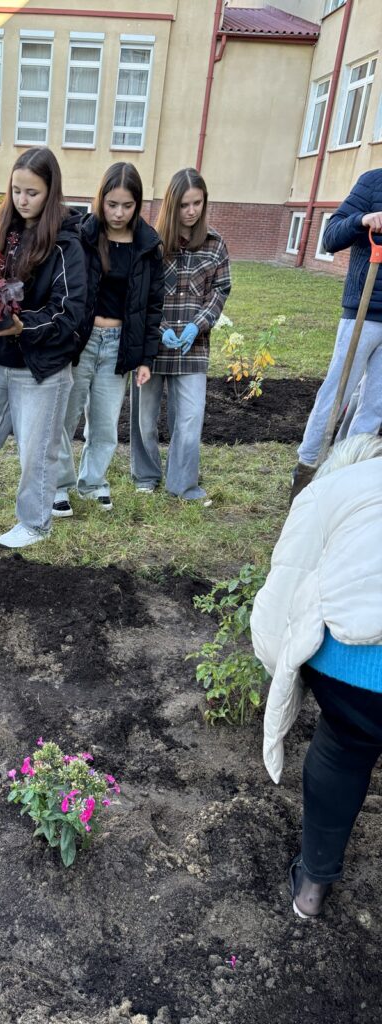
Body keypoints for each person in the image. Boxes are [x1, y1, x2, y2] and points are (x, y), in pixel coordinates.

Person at [252, 433, 382, 918]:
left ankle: (311, 888)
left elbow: (283, 588)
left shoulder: (327, 491)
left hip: (352, 672)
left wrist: (279, 667)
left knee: (344, 749)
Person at [0, 146, 86, 549]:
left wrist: (24, 326)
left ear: (51, 192)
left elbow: (68, 311)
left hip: (42, 366)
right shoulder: (2, 233)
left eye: (33, 193)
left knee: (36, 454)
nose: (23, 201)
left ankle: (35, 523)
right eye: (17, 190)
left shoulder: (66, 245)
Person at [53, 162, 164, 517]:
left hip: (119, 345)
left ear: (138, 204)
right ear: (100, 200)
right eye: (112, 204)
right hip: (81, 343)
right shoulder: (84, 236)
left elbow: (152, 306)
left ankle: (93, 481)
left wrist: (146, 358)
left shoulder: (148, 246)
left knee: (104, 423)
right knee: (65, 418)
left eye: (127, 205)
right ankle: (58, 485)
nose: (118, 213)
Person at [130, 168, 231, 500]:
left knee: (189, 420)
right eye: (185, 204)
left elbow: (220, 290)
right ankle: (145, 474)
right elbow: (139, 294)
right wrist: (157, 330)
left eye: (198, 203)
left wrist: (196, 325)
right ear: (172, 205)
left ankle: (182, 483)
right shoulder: (152, 244)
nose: (192, 211)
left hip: (193, 348)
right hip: (152, 348)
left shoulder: (215, 246)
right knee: (144, 419)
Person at [290, 169, 382, 502]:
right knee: (335, 394)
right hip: (363, 312)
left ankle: (346, 479)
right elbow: (330, 237)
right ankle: (306, 471)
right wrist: (363, 220)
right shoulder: (373, 183)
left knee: (375, 406)